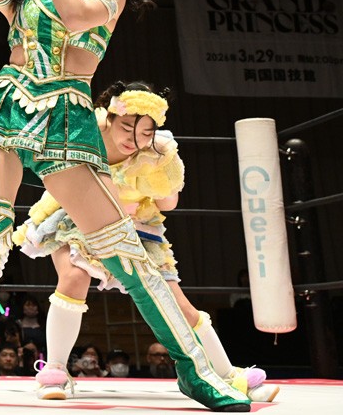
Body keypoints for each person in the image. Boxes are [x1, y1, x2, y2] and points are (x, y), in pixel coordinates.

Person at [0, 0, 249, 411]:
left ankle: (195, 371)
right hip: (7, 103)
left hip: (68, 111)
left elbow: (77, 16)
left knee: (125, 251)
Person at [15, 82, 277, 402]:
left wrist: (161, 166)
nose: (134, 139)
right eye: (126, 128)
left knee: (178, 302)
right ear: (109, 118)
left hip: (134, 225)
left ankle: (226, 374)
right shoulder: (84, 130)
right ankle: (54, 371)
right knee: (73, 276)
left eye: (145, 133)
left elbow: (168, 204)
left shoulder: (157, 152)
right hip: (74, 213)